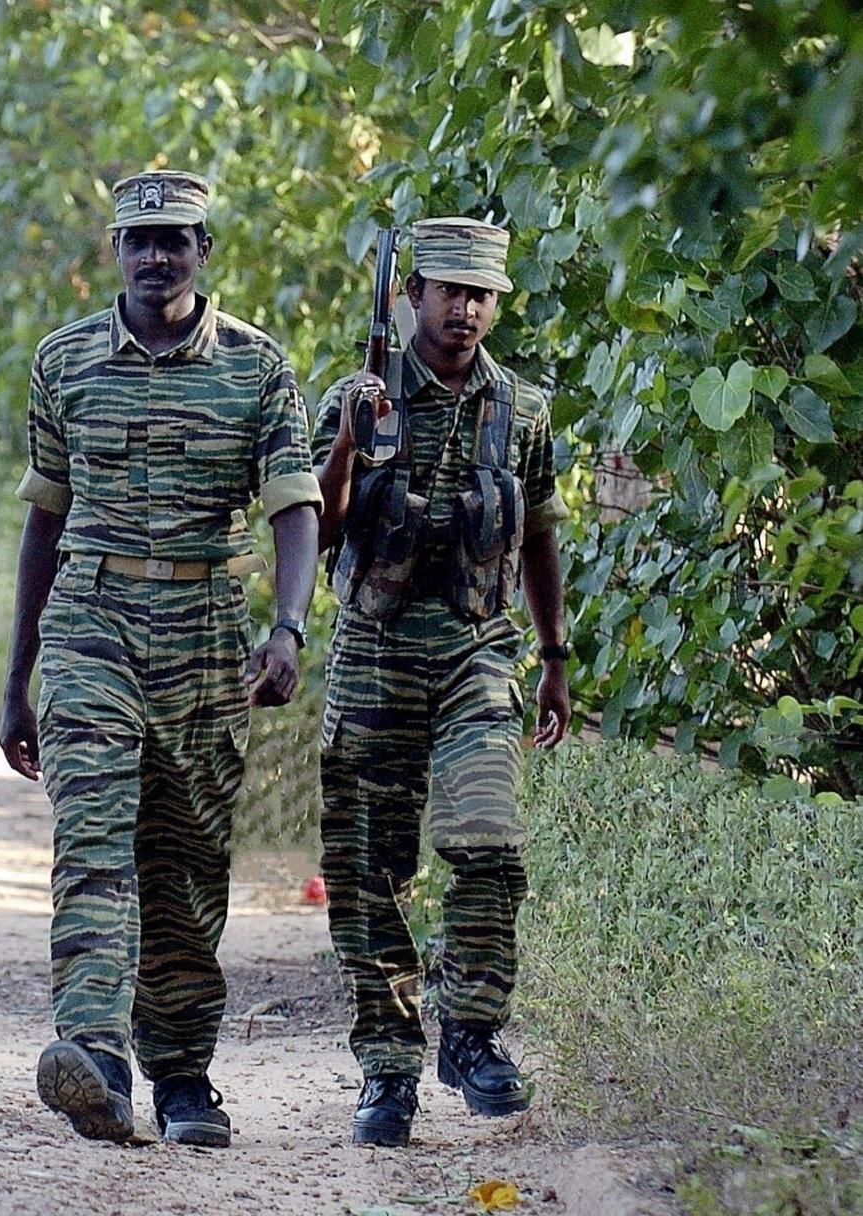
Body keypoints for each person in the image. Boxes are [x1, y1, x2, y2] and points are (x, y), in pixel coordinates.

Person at [0, 170, 321, 1147]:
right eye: (137, 240)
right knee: (93, 837)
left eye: (173, 239)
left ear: (201, 250)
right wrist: (17, 680)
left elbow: (294, 506)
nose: (154, 256)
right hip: (89, 620)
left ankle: (181, 1073)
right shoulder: (62, 361)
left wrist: (287, 628)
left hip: (203, 631)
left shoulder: (256, 366)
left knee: (184, 861)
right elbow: (44, 520)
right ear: (114, 250)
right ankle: (93, 1053)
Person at [312, 217, 573, 1148]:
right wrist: (350, 444)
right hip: (375, 650)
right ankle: (388, 1067)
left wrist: (554, 657)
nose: (465, 310)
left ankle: (472, 1031)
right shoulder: (359, 394)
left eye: (482, 295)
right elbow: (319, 525)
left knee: (490, 842)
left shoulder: (522, 408)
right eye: (450, 291)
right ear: (412, 293)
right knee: (369, 866)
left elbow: (536, 532)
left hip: (477, 651)